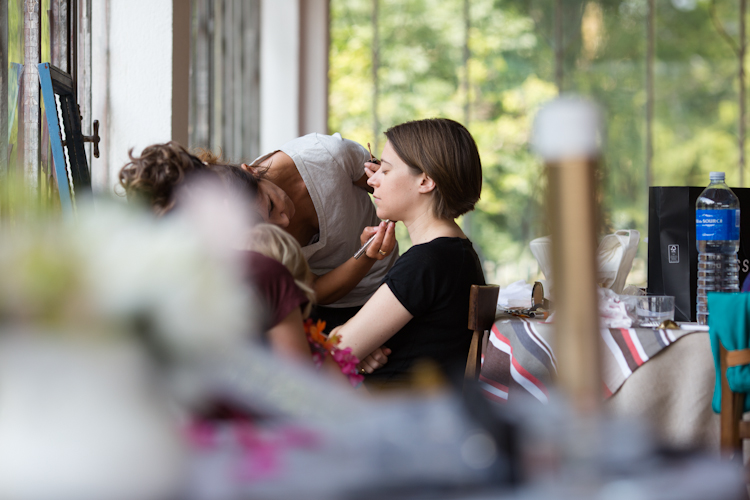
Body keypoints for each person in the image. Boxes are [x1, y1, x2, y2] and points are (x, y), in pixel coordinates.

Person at [331, 118, 486, 388]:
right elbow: (348, 349)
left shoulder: (427, 263)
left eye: (386, 170)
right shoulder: (457, 255)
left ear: (425, 181)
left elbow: (335, 352)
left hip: (390, 418)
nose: (373, 179)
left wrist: (345, 340)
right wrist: (358, 348)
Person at [243, 133, 398, 328]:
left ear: (251, 172)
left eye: (272, 206)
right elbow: (314, 289)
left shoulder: (329, 154)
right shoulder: (250, 240)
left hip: (391, 281)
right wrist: (366, 256)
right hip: (328, 315)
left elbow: (400, 192)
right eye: (267, 227)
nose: (283, 223)